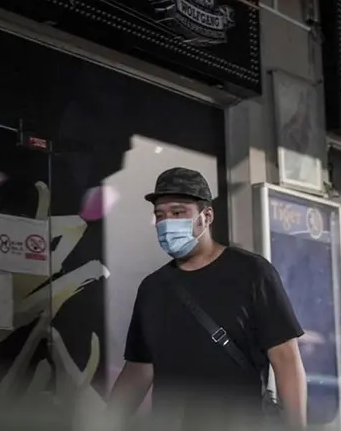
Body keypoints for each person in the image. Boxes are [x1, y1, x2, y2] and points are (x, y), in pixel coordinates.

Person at [109, 167, 307, 431]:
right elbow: (139, 370)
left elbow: (286, 361)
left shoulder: (252, 273)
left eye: (178, 213)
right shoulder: (152, 288)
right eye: (160, 215)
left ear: (207, 216)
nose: (166, 223)